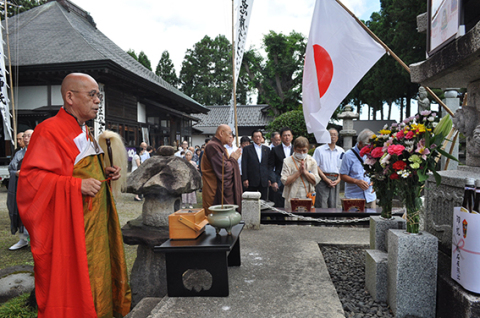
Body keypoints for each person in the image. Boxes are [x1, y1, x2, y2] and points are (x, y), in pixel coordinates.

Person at [17, 73, 131, 317]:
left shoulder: (85, 131)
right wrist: (73, 186)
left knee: (99, 271)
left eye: (98, 95)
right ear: (70, 97)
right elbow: (30, 180)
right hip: (71, 227)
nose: (97, 100)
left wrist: (105, 172)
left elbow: (79, 169)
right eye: (91, 95)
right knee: (78, 279)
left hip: (95, 222)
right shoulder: (49, 131)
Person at [201, 125, 242, 212]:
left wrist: (231, 160)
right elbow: (224, 170)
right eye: (229, 133)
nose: (231, 136)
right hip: (214, 189)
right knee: (216, 217)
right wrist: (233, 159)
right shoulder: (212, 146)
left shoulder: (219, 146)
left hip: (220, 188)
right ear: (221, 133)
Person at [7, 129, 33, 250]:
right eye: (25, 136)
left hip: (35, 189)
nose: (25, 138)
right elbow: (11, 168)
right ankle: (23, 240)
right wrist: (16, 173)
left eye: (29, 135)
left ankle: (38, 240)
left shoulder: (41, 151)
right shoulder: (19, 154)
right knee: (20, 213)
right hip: (21, 188)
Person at [340, 129, 377, 208]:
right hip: (353, 197)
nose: (370, 147)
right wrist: (356, 181)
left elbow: (376, 171)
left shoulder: (373, 153)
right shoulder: (348, 155)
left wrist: (373, 181)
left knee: (372, 219)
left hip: (370, 196)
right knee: (354, 220)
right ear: (360, 143)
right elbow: (342, 175)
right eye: (368, 145)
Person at [281, 136, 320, 210]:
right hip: (292, 195)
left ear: (308, 149)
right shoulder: (287, 161)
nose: (302, 153)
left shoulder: (312, 161)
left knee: (306, 220)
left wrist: (305, 172)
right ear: (294, 149)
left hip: (308, 195)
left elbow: (316, 180)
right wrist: (298, 172)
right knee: (292, 220)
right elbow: (285, 181)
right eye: (299, 150)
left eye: (304, 150)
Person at [313, 128, 345, 208]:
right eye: (331, 134)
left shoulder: (341, 151)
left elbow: (343, 167)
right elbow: (315, 165)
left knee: (334, 204)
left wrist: (339, 179)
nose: (333, 136)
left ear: (337, 138)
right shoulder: (319, 150)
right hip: (322, 178)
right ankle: (321, 220)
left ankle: (333, 220)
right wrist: (325, 178)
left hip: (336, 179)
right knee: (321, 203)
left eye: (335, 135)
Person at [242, 129, 271, 200]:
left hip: (264, 179)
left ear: (262, 138)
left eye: (259, 136)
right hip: (252, 179)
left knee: (264, 199)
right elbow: (244, 164)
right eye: (256, 136)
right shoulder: (247, 149)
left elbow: (269, 165)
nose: (258, 138)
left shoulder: (266, 149)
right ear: (252, 138)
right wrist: (245, 178)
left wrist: (270, 178)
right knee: (252, 199)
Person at [268, 127, 293, 207]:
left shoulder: (296, 149)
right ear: (281, 137)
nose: (287, 137)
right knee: (280, 204)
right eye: (285, 135)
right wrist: (273, 181)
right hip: (279, 179)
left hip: (294, 178)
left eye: (289, 135)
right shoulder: (275, 150)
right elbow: (270, 167)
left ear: (292, 137)